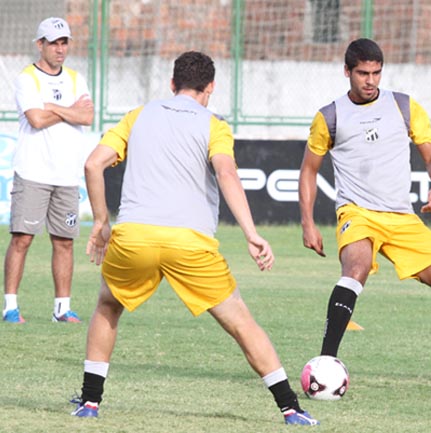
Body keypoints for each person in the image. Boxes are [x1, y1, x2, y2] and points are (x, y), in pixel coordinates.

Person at [71, 51, 318, 426]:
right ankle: (290, 408)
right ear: (211, 88)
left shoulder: (138, 115)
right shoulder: (214, 125)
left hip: (135, 236)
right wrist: (251, 234)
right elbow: (227, 174)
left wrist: (102, 222)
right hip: (190, 244)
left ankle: (90, 403)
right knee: (241, 323)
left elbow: (93, 164)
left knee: (108, 306)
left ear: (172, 84)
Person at [298, 38, 431, 403]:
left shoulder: (403, 106)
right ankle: (325, 362)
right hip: (357, 213)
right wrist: (307, 222)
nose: (370, 80)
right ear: (346, 71)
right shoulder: (329, 116)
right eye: (362, 73)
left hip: (401, 217)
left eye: (376, 72)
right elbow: (308, 171)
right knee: (357, 268)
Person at [3, 17, 93, 324]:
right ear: (40, 45)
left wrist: (51, 107)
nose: (60, 48)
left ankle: (62, 309)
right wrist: (70, 111)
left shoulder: (76, 79)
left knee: (64, 242)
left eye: (64, 42)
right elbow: (36, 121)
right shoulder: (27, 78)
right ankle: (10, 307)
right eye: (53, 42)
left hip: (66, 175)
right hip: (33, 172)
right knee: (22, 239)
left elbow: (87, 117)